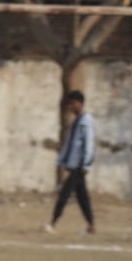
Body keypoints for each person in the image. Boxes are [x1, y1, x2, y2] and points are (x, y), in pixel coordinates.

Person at [44, 90, 96, 235]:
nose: (70, 107)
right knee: (82, 197)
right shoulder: (76, 122)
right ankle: (91, 225)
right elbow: (70, 144)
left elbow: (89, 144)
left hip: (79, 166)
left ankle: (53, 223)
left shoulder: (86, 122)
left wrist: (86, 164)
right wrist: (62, 160)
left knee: (64, 194)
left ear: (80, 103)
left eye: (72, 104)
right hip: (73, 164)